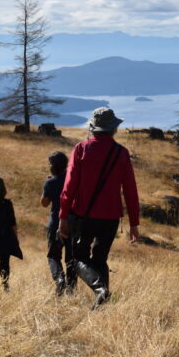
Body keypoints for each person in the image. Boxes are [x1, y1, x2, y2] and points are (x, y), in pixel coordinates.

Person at [58, 107, 140, 309]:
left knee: (79, 258)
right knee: (101, 258)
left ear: (92, 128)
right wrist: (134, 223)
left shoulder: (81, 149)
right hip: (110, 217)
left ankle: (100, 291)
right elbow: (130, 190)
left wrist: (63, 216)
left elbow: (69, 186)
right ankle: (102, 303)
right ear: (114, 129)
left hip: (83, 215)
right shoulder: (121, 153)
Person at [42, 151, 76, 296]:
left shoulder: (50, 182)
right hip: (73, 223)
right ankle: (71, 289)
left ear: (53, 165)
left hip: (56, 222)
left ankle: (59, 279)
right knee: (71, 257)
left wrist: (47, 184)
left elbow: (44, 203)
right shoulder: (73, 179)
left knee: (53, 256)